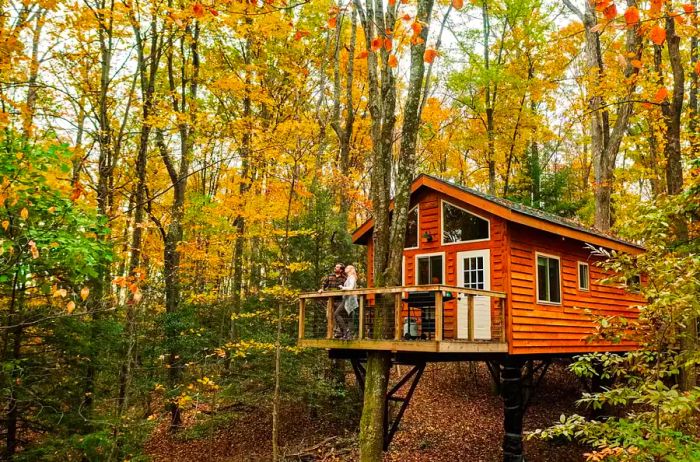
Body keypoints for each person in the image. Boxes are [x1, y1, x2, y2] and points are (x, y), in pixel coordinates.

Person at [318, 263, 347, 338]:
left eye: (337, 267)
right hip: (330, 300)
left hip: (339, 300)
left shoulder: (344, 278)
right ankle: (334, 332)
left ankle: (338, 333)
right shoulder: (330, 276)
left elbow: (346, 288)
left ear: (341, 270)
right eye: (335, 266)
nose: (335, 268)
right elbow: (324, 284)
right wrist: (322, 289)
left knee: (337, 315)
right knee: (329, 316)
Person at [339, 265, 359, 339]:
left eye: (347, 268)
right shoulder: (349, 277)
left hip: (350, 299)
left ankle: (346, 332)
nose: (345, 269)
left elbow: (350, 287)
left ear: (350, 269)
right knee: (349, 317)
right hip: (347, 299)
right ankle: (348, 335)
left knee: (336, 314)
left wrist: (342, 287)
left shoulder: (352, 277)